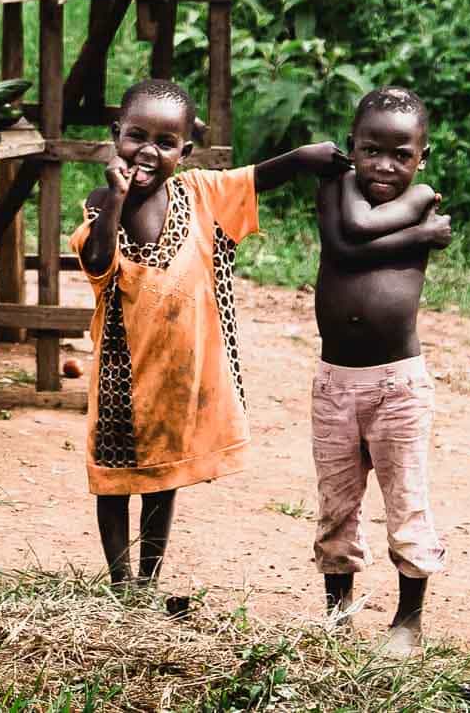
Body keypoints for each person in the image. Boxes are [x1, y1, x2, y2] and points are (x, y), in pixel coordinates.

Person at [73, 77, 350, 597]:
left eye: (166, 142)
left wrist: (304, 157)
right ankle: (119, 584)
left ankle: (147, 583)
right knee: (113, 481)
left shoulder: (201, 195)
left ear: (186, 151)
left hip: (181, 379)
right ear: (116, 135)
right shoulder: (99, 200)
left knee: (163, 479)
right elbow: (95, 260)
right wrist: (114, 197)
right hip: (120, 375)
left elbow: (257, 178)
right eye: (137, 136)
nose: (148, 152)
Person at [312, 85, 451, 658]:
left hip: (398, 384)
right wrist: (419, 238)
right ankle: (337, 616)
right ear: (352, 146)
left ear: (421, 156)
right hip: (334, 382)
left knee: (406, 501)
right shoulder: (337, 189)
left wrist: (413, 222)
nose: (385, 165)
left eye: (401, 153)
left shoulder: (421, 196)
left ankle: (408, 621)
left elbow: (360, 230)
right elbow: (345, 246)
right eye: (372, 150)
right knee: (336, 505)